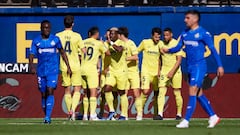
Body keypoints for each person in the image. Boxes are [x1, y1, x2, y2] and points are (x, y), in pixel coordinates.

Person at [161, 10, 224, 128]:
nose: (185, 20)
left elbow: (213, 49)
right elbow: (178, 47)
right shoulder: (185, 33)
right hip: (189, 67)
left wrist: (219, 65)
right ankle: (213, 116)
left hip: (199, 66)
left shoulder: (203, 33)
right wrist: (168, 50)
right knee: (198, 93)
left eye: (188, 18)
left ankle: (186, 120)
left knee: (192, 90)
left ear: (195, 19)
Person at [29, 20, 72, 124]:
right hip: (41, 70)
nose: (46, 30)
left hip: (52, 70)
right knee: (43, 94)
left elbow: (62, 52)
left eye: (48, 28)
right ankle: (46, 114)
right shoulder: (36, 41)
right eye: (44, 28)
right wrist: (31, 66)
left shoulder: (55, 39)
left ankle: (48, 117)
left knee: (50, 90)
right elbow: (31, 55)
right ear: (41, 29)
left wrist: (68, 66)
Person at [56, 15, 84, 121]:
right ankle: (73, 109)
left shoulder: (58, 35)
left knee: (67, 91)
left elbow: (55, 51)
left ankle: (70, 112)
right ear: (73, 24)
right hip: (75, 65)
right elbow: (83, 51)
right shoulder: (77, 36)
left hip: (64, 66)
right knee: (77, 89)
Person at [81, 27, 110, 120]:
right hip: (91, 70)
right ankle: (92, 114)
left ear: (89, 34)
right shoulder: (98, 43)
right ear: (97, 34)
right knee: (93, 92)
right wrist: (103, 44)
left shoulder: (83, 41)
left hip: (82, 69)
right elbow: (108, 53)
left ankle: (85, 115)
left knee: (85, 93)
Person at [156, 27, 183, 120]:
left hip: (175, 71)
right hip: (164, 70)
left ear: (171, 35)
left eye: (167, 35)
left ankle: (179, 114)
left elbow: (179, 60)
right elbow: (159, 58)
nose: (165, 37)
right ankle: (160, 114)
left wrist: (172, 72)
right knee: (161, 91)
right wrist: (159, 70)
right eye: (164, 35)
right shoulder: (161, 44)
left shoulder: (176, 44)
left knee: (177, 92)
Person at [138, 27, 163, 119]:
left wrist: (160, 70)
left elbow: (161, 59)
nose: (157, 39)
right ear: (152, 36)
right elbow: (136, 52)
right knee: (145, 91)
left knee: (157, 92)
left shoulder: (161, 44)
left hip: (156, 73)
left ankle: (156, 114)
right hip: (146, 71)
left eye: (159, 37)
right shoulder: (145, 42)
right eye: (156, 37)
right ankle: (140, 113)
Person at [118, 27, 142, 120]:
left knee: (136, 93)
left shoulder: (131, 43)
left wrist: (125, 59)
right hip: (124, 72)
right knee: (124, 93)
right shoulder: (119, 44)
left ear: (121, 35)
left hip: (133, 72)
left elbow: (136, 57)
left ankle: (139, 114)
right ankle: (124, 115)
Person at [104, 27, 128, 120]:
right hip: (112, 71)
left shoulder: (121, 42)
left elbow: (119, 50)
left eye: (113, 34)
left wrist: (110, 43)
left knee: (121, 93)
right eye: (110, 34)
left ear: (118, 35)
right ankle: (111, 110)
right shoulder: (108, 44)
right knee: (107, 89)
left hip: (122, 71)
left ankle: (124, 114)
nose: (111, 35)